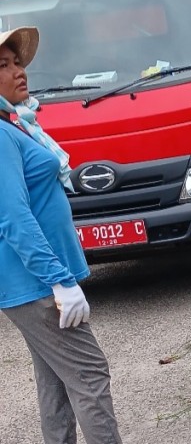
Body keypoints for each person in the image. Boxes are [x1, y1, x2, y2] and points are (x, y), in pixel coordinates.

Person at [0, 27, 123, 444]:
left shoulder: (14, 125)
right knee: (89, 375)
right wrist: (59, 279)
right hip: (37, 286)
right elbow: (13, 217)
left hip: (33, 284)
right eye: (3, 65)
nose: (19, 71)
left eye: (18, 62)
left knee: (55, 383)